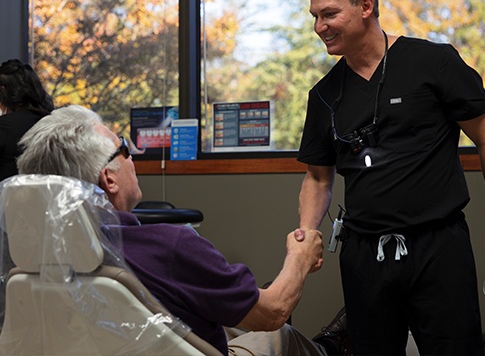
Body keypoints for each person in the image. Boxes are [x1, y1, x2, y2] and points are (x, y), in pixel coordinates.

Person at [17, 104, 349, 356]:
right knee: (280, 334)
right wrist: (299, 259)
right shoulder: (170, 246)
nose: (133, 160)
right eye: (125, 151)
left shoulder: (33, 259)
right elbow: (273, 312)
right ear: (109, 178)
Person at [296, 0, 485, 355]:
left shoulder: (432, 63)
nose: (319, 27)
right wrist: (307, 232)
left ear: (366, 5)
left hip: (438, 246)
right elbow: (318, 178)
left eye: (329, 13)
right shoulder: (325, 95)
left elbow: (482, 130)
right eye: (315, 16)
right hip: (366, 254)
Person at [0, 59, 54, 181]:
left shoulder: (4, 126)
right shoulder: (53, 124)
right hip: (48, 198)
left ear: (2, 91)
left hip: (8, 198)